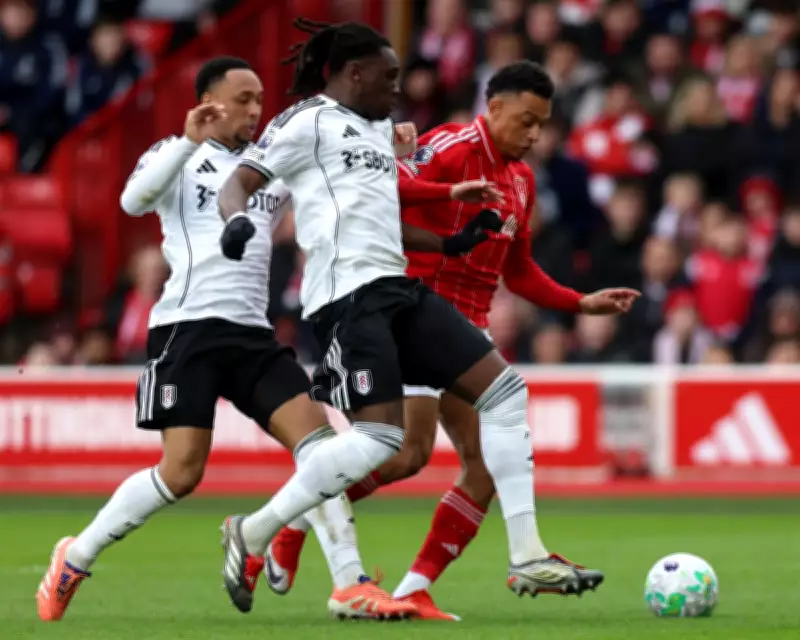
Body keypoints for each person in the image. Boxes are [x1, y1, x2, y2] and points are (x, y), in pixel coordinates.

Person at [36, 55, 478, 623]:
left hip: (252, 336)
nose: (255, 110)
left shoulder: (271, 165)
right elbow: (132, 201)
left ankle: (350, 583)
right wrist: (187, 141)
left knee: (322, 447)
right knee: (181, 473)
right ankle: (75, 556)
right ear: (208, 102)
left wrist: (388, 145)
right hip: (188, 330)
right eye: (243, 99)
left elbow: (340, 176)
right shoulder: (176, 155)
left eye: (259, 100)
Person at [218, 19, 637, 618]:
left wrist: (459, 229)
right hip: (350, 295)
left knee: (504, 399)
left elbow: (391, 203)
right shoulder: (309, 121)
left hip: (404, 294)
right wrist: (237, 220)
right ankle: (266, 529)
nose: (399, 88)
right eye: (389, 76)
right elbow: (242, 181)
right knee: (391, 447)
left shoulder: (389, 134)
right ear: (354, 72)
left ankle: (524, 555)